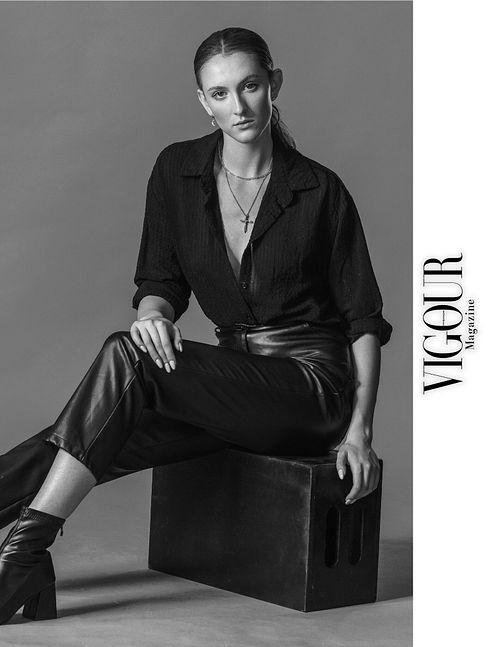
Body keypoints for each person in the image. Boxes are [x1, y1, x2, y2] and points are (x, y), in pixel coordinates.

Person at [0, 27, 392, 625]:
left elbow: (363, 321)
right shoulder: (176, 171)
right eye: (220, 93)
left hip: (310, 389)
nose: (238, 106)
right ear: (203, 102)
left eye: (250, 86)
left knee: (125, 359)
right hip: (234, 382)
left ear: (274, 84)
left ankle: (21, 556)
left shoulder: (320, 190)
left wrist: (359, 431)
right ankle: (25, 562)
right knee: (95, 423)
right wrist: (152, 317)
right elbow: (161, 281)